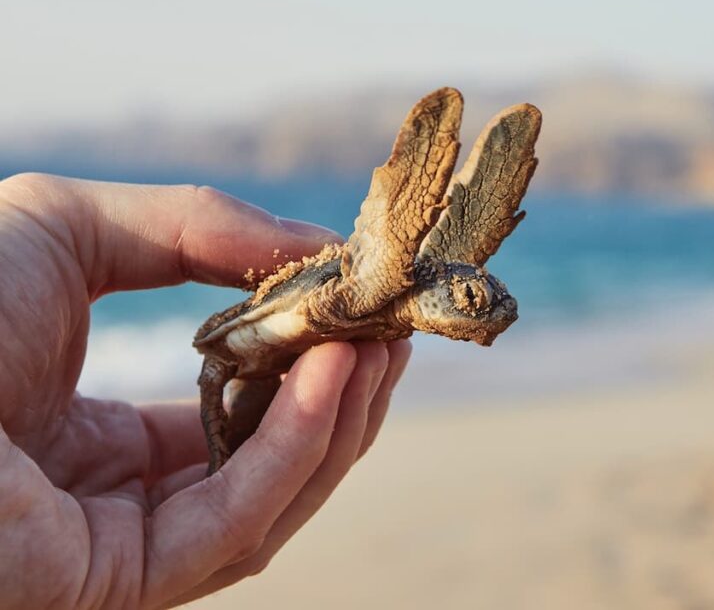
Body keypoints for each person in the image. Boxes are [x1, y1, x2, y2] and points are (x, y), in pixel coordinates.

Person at [0, 173, 411, 608]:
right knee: (239, 409)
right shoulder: (354, 286)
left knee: (306, 402)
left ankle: (224, 451)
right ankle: (220, 455)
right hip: (247, 331)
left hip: (288, 348)